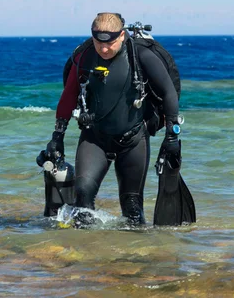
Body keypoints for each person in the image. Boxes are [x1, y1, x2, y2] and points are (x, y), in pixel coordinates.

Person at [41, 12, 181, 227]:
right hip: (94, 138)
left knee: (132, 207)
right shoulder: (84, 57)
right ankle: (84, 255)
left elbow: (169, 92)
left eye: (110, 44)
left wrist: (172, 136)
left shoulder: (141, 55)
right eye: (98, 43)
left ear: (122, 36)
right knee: (83, 194)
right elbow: (69, 96)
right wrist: (57, 136)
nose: (104, 49)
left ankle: (133, 257)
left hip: (134, 139)